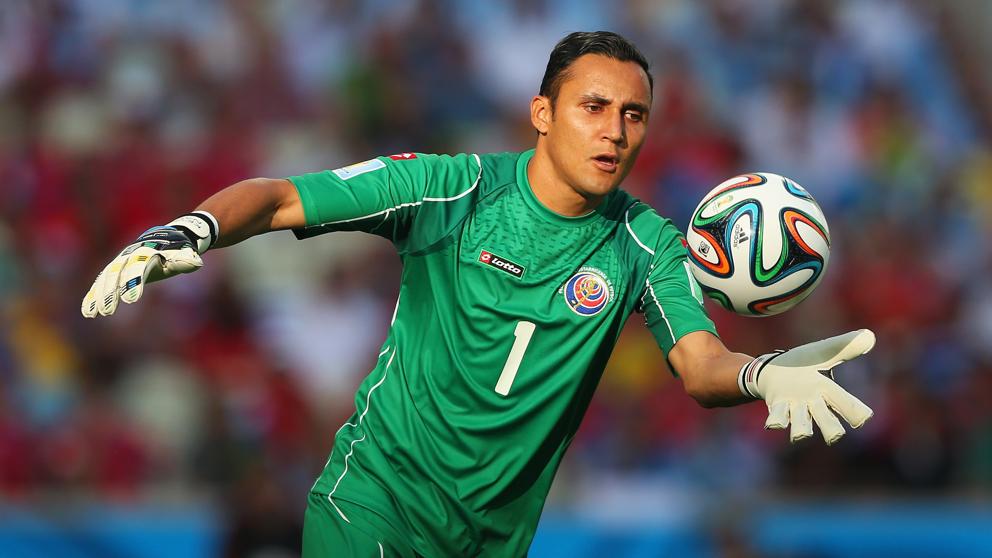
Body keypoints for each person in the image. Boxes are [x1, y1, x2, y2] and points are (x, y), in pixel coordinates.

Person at [82, 31, 875, 558]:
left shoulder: (645, 244)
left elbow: (700, 365)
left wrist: (760, 373)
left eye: (633, 115)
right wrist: (190, 228)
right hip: (374, 504)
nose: (615, 131)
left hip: (489, 543)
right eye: (594, 107)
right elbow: (280, 196)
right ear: (542, 113)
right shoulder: (450, 189)